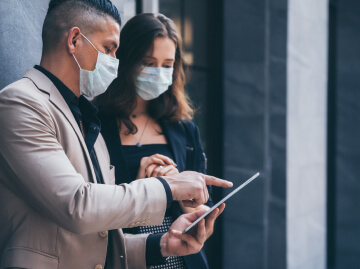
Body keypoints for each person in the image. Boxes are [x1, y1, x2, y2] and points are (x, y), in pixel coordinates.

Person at [0, 1, 233, 269]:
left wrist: (163, 244)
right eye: (109, 49)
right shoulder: (20, 102)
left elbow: (101, 239)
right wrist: (169, 187)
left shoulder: (84, 117)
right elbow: (77, 205)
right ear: (75, 39)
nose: (113, 62)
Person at [95, 13, 213, 269]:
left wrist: (184, 194)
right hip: (125, 258)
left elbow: (205, 219)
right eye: (148, 63)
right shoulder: (96, 125)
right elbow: (90, 211)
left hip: (182, 261)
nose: (158, 73)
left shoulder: (185, 131)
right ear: (126, 61)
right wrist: (140, 188)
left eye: (167, 65)